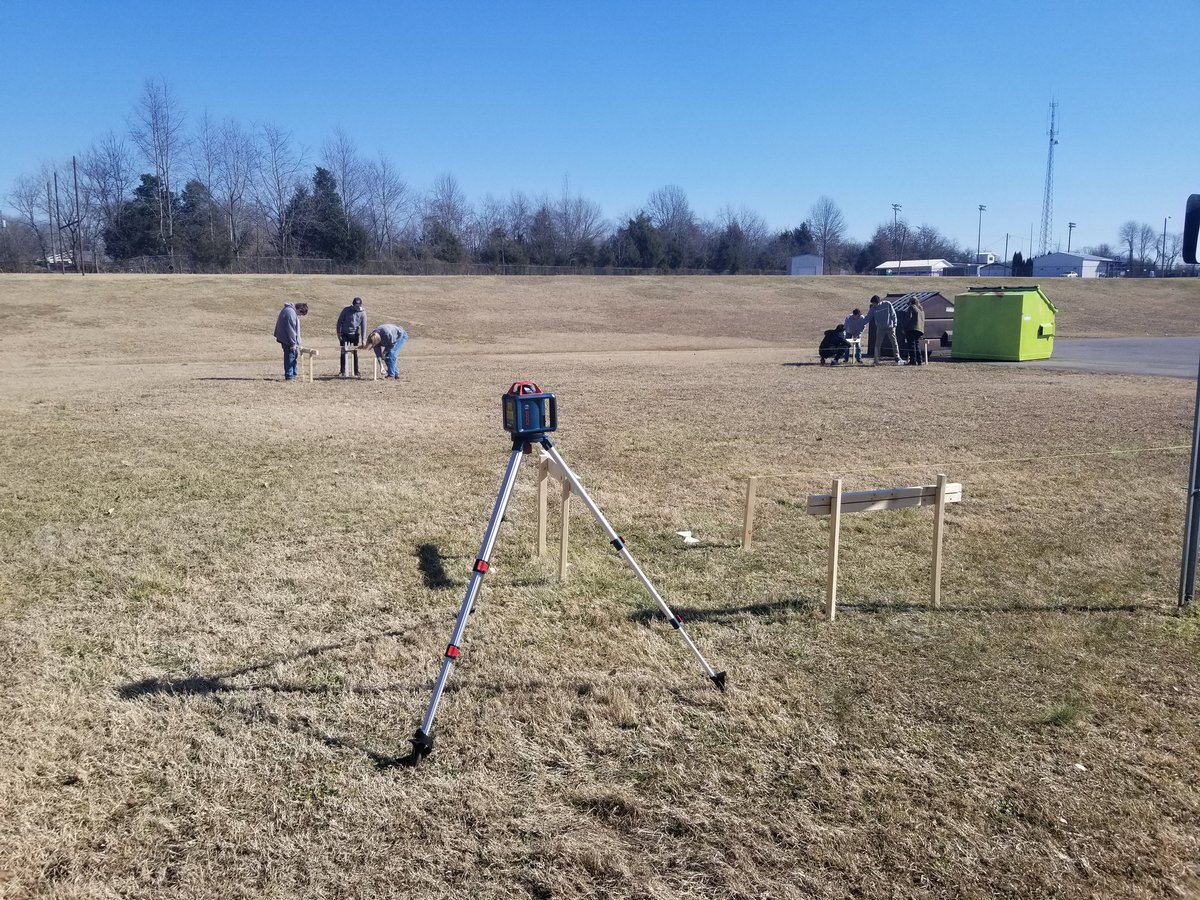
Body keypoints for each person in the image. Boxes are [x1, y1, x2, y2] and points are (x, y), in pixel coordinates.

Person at [865, 295, 905, 366]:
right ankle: (876, 359)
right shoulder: (873, 308)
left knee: (894, 342)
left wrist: (894, 324)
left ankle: (897, 357)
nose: (873, 305)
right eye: (872, 304)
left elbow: (893, 314)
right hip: (880, 328)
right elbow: (868, 317)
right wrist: (861, 322)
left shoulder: (887, 304)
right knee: (877, 343)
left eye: (874, 303)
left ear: (878, 302)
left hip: (890, 327)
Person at [273, 301, 309, 381]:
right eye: (300, 314)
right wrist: (293, 343)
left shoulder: (289, 310)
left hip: (286, 338)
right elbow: (291, 330)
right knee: (290, 356)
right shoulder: (291, 313)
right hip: (288, 340)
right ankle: (289, 375)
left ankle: (293, 374)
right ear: (299, 309)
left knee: (293, 356)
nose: (300, 316)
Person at [336, 296, 367, 377]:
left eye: (359, 306)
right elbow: (339, 321)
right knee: (343, 352)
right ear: (352, 305)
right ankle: (342, 371)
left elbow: (364, 327)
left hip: (355, 335)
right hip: (344, 334)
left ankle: (356, 371)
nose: (357, 307)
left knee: (355, 353)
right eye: (356, 306)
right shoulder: (346, 310)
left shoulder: (363, 313)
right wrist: (338, 333)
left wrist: (363, 339)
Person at [906, 297, 926, 365]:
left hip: (912, 328)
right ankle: (919, 360)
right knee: (917, 345)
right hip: (919, 330)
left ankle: (913, 361)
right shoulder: (921, 310)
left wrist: (904, 327)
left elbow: (908, 318)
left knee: (911, 345)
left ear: (911, 302)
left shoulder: (911, 307)